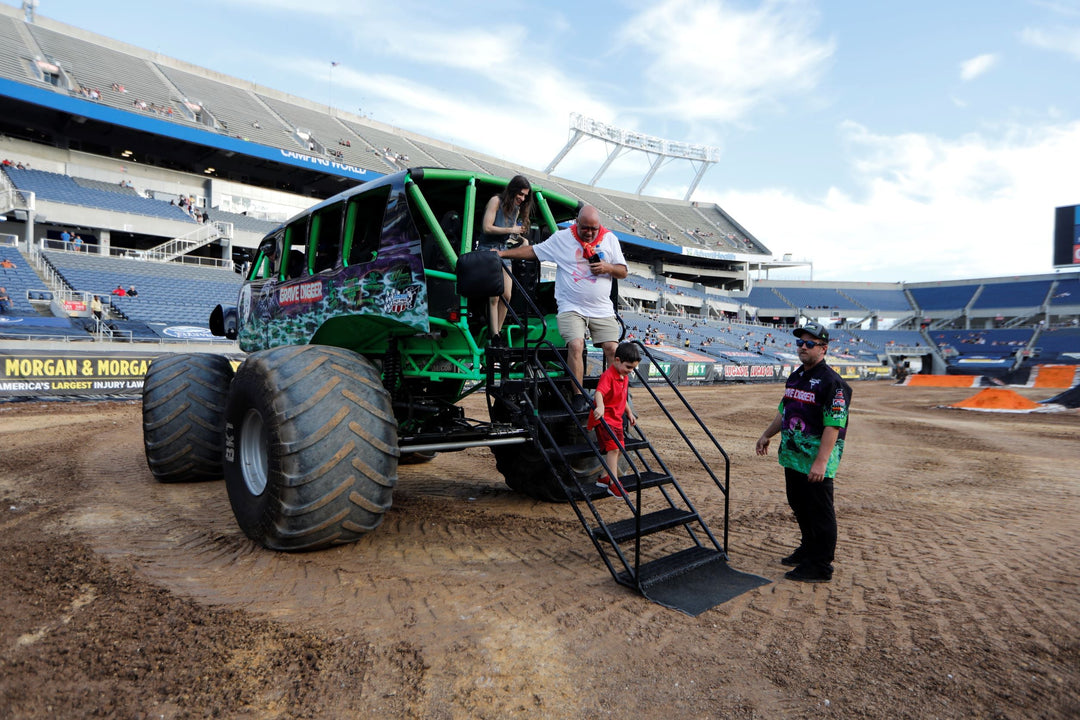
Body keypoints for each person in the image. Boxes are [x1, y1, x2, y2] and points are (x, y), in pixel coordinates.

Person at [498, 204, 628, 412]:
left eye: (594, 229)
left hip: (601, 308)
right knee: (576, 345)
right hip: (571, 306)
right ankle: (578, 396)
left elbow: (622, 271)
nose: (590, 233)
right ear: (577, 223)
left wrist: (607, 267)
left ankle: (613, 395)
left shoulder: (609, 239)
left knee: (613, 349)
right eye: (585, 228)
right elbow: (533, 251)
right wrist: (503, 254)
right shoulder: (562, 238)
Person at [755, 321, 852, 583]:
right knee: (800, 506)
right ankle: (808, 549)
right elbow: (784, 410)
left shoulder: (833, 383)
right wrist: (767, 434)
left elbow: (834, 424)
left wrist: (821, 462)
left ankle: (820, 565)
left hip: (815, 461)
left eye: (810, 343)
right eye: (800, 343)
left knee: (819, 512)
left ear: (823, 348)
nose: (803, 348)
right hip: (793, 456)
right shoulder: (797, 375)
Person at [477, 175, 532, 341]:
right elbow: (487, 227)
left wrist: (522, 240)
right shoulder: (496, 201)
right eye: (521, 194)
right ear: (513, 190)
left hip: (503, 250)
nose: (522, 199)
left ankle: (497, 333)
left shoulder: (515, 209)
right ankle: (493, 335)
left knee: (507, 295)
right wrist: (512, 230)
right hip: (488, 250)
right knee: (494, 295)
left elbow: (508, 234)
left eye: (525, 196)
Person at [588, 342, 640, 498]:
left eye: (633, 368)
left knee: (619, 450)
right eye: (628, 367)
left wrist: (629, 413)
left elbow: (623, 398)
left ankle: (605, 477)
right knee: (614, 449)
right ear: (617, 360)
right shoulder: (608, 376)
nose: (630, 371)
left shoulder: (623, 377)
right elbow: (599, 393)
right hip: (605, 420)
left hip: (617, 420)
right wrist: (601, 407)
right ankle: (614, 484)